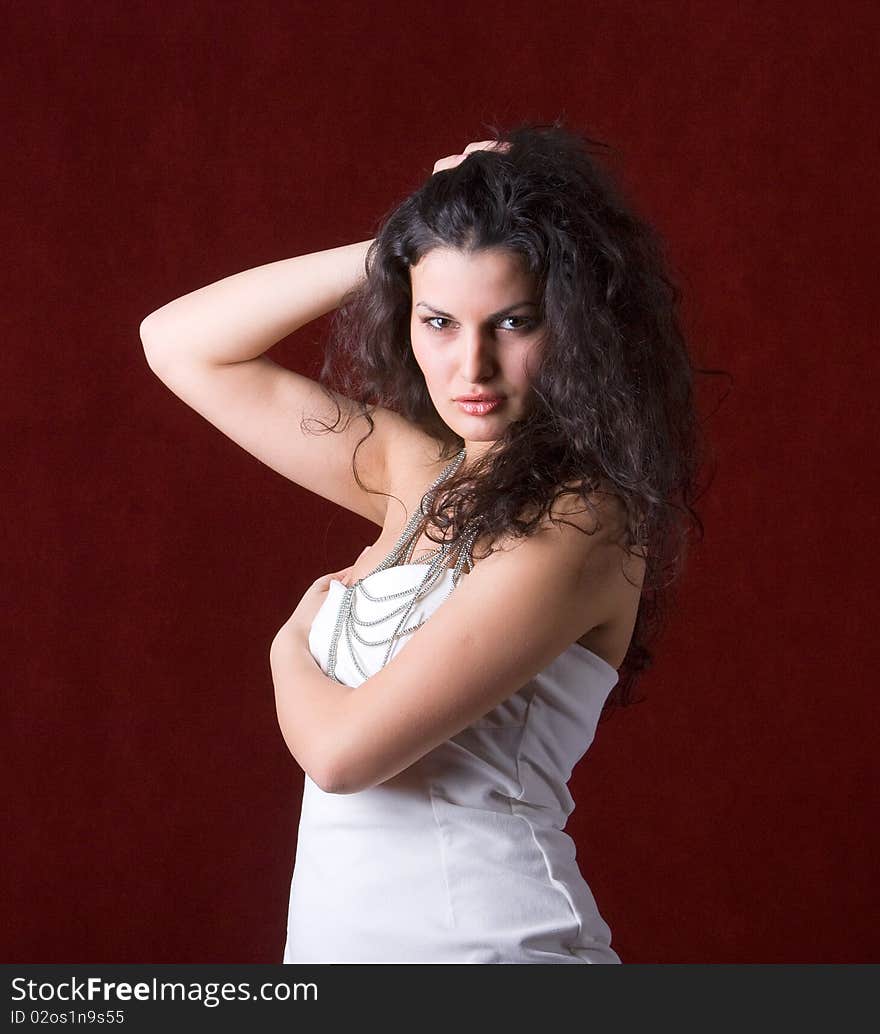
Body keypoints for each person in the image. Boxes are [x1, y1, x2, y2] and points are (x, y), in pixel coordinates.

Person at [140, 120, 704, 964]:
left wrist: (289, 643)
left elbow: (338, 756)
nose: (469, 367)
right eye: (439, 320)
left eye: (512, 323)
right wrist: (407, 239)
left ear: (578, 326)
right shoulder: (419, 472)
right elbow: (180, 344)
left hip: (490, 953)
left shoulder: (583, 524)